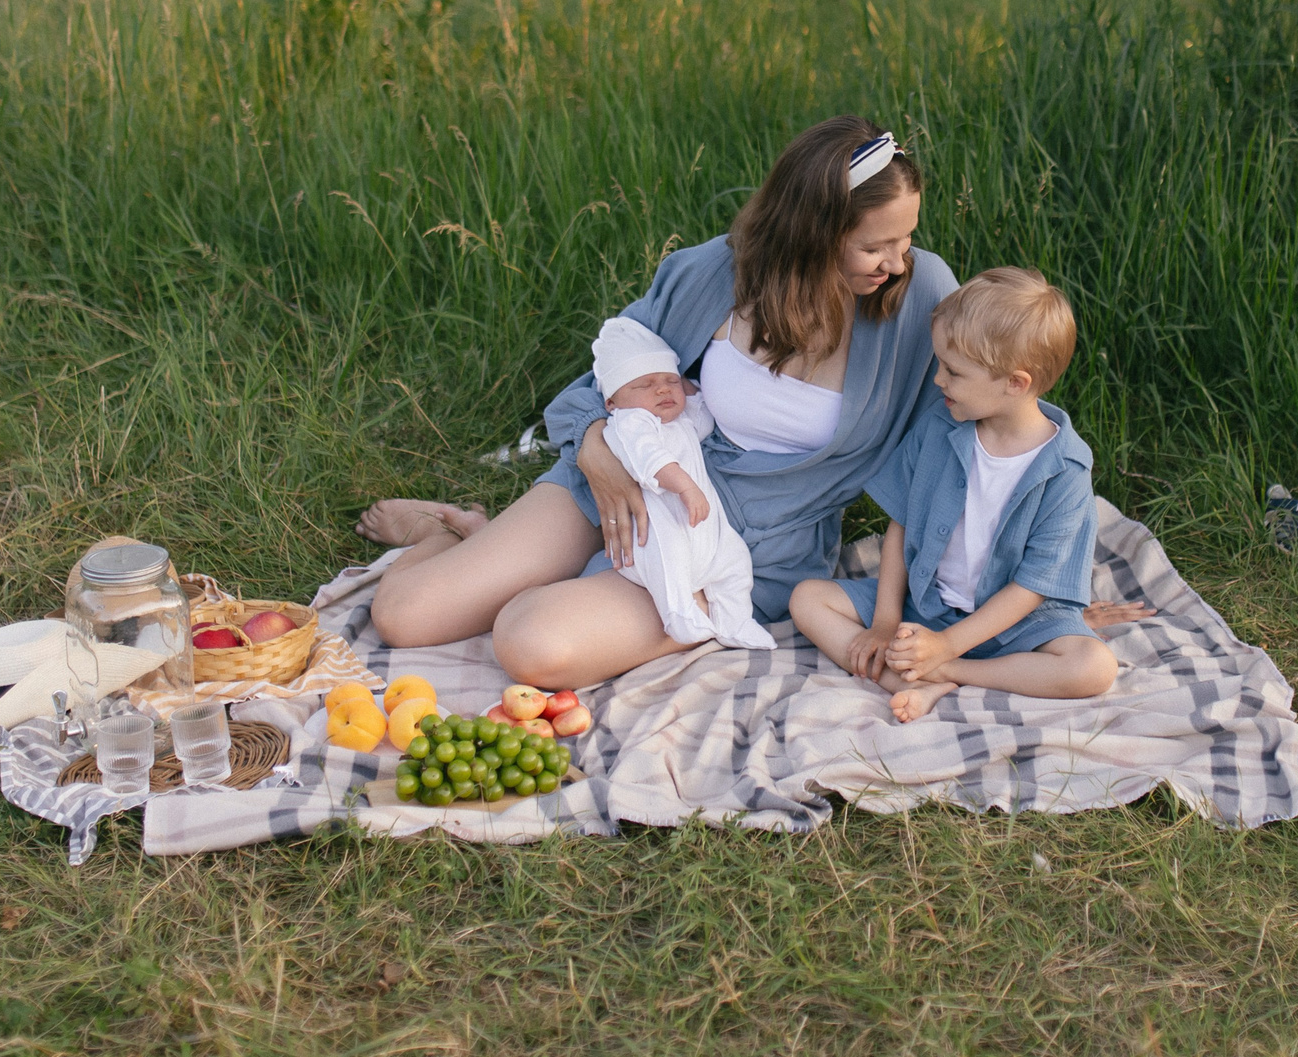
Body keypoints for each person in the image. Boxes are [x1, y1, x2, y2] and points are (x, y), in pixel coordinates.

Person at [357, 117, 960, 687]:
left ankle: (521, 561)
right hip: (627, 475)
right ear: (813, 230)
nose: (897, 260)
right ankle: (444, 534)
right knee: (405, 617)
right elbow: (612, 371)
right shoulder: (717, 272)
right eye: (875, 245)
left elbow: (959, 434)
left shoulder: (919, 294)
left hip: (738, 537)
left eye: (905, 238)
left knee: (530, 641)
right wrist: (594, 446)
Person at [790, 267, 1119, 723]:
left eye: (954, 371)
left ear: (1015, 383)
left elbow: (1031, 590)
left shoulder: (1064, 470)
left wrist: (946, 648)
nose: (939, 380)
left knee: (1095, 667)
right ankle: (911, 672)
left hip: (1012, 625)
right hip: (925, 606)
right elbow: (900, 527)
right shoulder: (938, 427)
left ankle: (947, 672)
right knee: (807, 598)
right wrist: (886, 622)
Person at [586, 315, 773, 651]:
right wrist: (685, 486)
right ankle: (680, 617)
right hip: (655, 532)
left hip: (701, 532)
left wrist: (689, 387)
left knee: (734, 560)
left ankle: (735, 620)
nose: (661, 389)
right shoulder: (629, 423)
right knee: (668, 563)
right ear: (611, 402)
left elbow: (703, 414)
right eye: (644, 384)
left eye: (670, 381)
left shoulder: (678, 423)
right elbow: (650, 459)